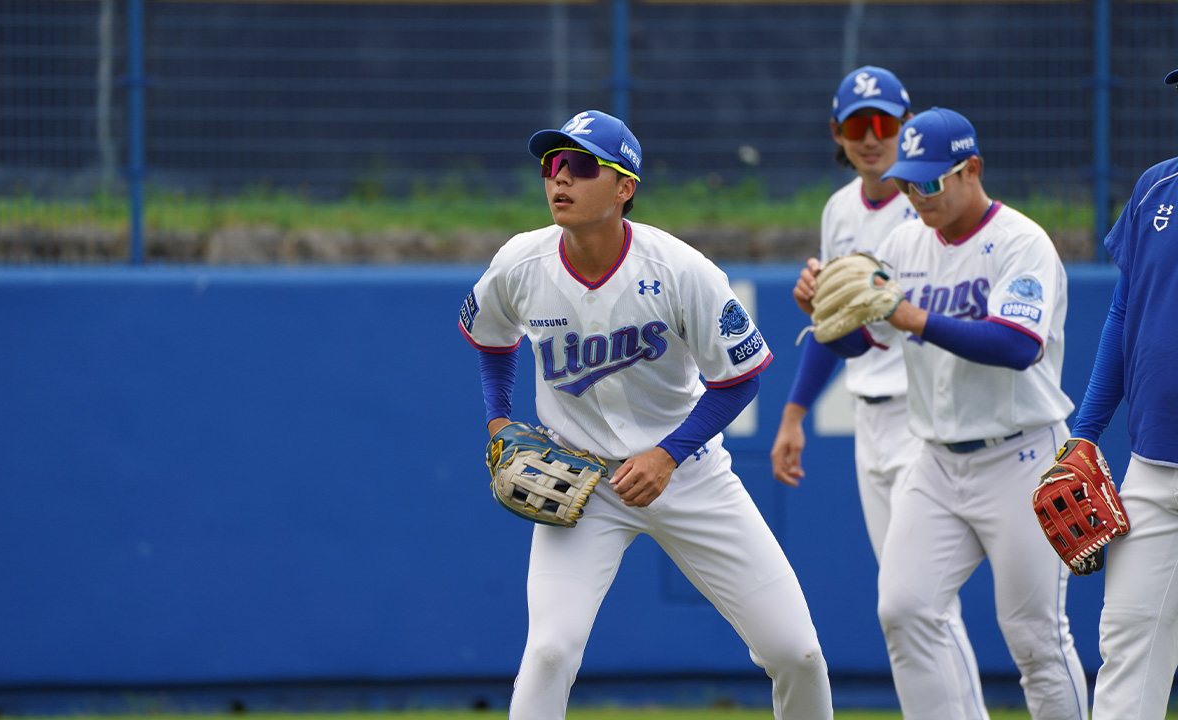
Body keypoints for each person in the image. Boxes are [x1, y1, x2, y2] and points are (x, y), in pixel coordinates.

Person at [458, 109, 833, 719]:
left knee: (798, 653)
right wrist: (498, 419)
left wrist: (668, 455)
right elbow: (491, 339)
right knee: (550, 650)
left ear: (624, 186)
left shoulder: (681, 270)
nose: (560, 178)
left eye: (581, 166)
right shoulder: (521, 263)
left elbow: (740, 378)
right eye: (552, 164)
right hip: (580, 482)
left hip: (689, 473)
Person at [793, 107, 1088, 719]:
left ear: (971, 169)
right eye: (907, 182)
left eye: (929, 181)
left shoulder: (1021, 241)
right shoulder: (904, 243)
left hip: (1021, 457)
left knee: (1034, 639)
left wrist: (913, 317)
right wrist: (824, 311)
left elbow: (1017, 345)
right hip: (936, 461)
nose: (916, 195)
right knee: (904, 610)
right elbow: (864, 341)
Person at [770, 67, 987, 716]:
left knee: (921, 602)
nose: (871, 136)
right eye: (857, 124)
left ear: (906, 125)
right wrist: (794, 412)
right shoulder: (840, 209)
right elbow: (840, 327)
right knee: (907, 604)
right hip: (870, 417)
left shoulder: (927, 201)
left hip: (924, 413)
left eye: (885, 122)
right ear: (837, 133)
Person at [1069, 68, 1178, 720]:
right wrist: (1085, 432)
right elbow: (1123, 309)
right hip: (1153, 466)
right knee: (1126, 649)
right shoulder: (1156, 186)